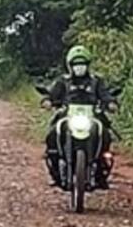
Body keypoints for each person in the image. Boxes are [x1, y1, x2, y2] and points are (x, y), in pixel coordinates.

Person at [42, 45, 118, 187]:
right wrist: (48, 101)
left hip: (92, 116)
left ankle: (101, 174)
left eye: (82, 64)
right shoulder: (63, 81)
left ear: (88, 65)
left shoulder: (96, 81)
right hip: (67, 115)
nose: (79, 67)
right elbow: (53, 94)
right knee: (52, 135)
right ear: (70, 66)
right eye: (76, 64)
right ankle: (56, 173)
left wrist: (111, 103)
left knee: (105, 135)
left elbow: (105, 95)